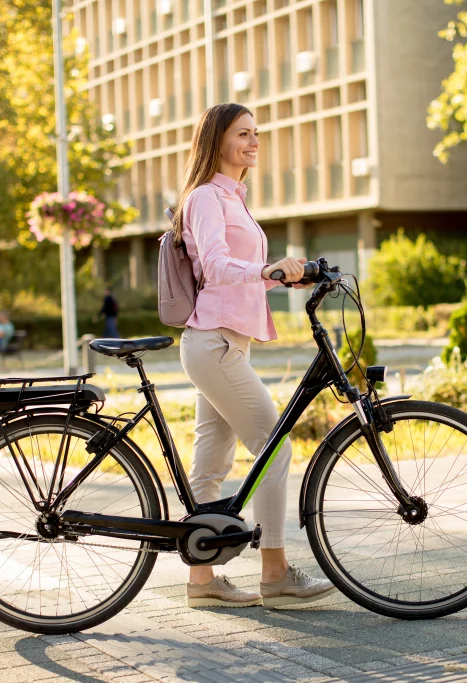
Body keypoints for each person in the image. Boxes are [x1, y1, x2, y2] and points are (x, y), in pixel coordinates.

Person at [175, 102, 335, 609]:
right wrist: (269, 269)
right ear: (217, 140)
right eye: (242, 133)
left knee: (212, 462)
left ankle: (202, 581)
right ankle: (275, 573)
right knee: (275, 448)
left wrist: (296, 274)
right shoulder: (205, 197)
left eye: (256, 133)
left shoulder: (234, 198)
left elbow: (242, 267)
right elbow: (220, 266)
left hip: (223, 344)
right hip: (214, 343)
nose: (253, 141)